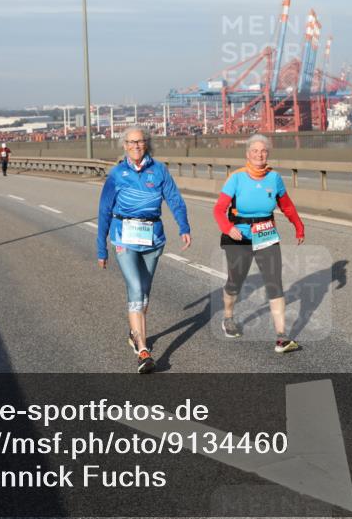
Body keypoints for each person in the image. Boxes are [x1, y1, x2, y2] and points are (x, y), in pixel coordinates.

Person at [97, 126, 191, 374]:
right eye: (131, 142)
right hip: (123, 237)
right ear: (124, 145)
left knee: (145, 294)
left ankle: (134, 332)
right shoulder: (117, 174)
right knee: (136, 290)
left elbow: (174, 199)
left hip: (153, 238)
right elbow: (104, 210)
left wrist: (184, 226)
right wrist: (101, 249)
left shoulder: (159, 170)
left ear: (146, 144)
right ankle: (143, 351)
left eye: (140, 141)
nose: (136, 146)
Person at [213, 134, 304, 352]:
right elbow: (218, 209)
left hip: (266, 235)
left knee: (274, 282)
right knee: (236, 280)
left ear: (268, 154)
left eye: (263, 151)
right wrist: (228, 228)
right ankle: (228, 317)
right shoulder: (236, 178)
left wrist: (298, 226)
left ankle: (281, 337)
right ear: (247, 154)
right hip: (239, 236)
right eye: (254, 151)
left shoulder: (274, 178)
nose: (259, 155)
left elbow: (287, 206)